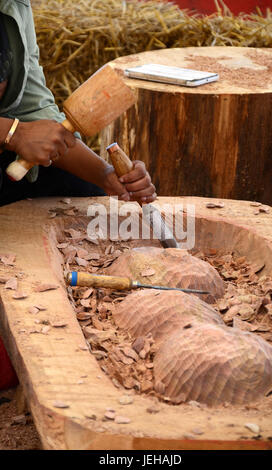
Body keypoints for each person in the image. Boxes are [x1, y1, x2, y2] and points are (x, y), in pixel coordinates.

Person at [0, 0, 156, 390]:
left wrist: (108, 178)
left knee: (81, 195)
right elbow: (21, 128)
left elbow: (35, 108)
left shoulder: (15, 6)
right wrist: (13, 134)